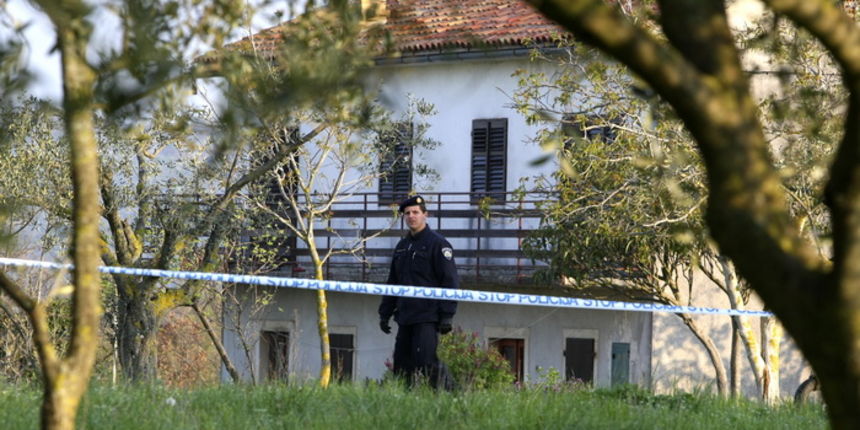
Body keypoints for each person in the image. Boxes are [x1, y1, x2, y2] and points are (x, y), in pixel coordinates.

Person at [379, 195, 458, 388]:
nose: (411, 216)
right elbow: (393, 282)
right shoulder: (402, 247)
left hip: (427, 315)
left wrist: (447, 315)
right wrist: (385, 313)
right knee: (401, 365)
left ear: (425, 215)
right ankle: (405, 404)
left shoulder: (438, 244)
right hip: (405, 315)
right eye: (407, 213)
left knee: (426, 361)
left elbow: (450, 280)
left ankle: (452, 397)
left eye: (415, 212)